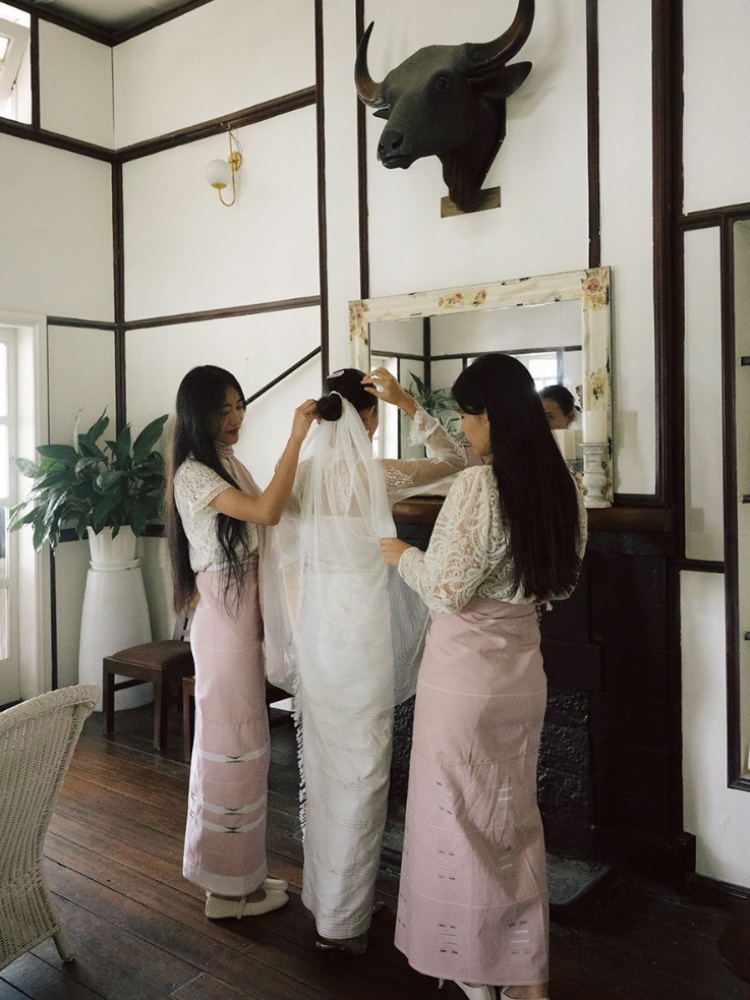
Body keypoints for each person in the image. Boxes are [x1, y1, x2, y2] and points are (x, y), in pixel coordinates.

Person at [380, 354, 587, 1000]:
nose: (465, 429)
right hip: (522, 673)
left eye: (468, 416)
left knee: (458, 823)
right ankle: (523, 970)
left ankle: (474, 969)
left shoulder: (480, 489)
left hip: (464, 679)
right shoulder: (562, 485)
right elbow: (565, 579)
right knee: (513, 823)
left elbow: (444, 588)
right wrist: (414, 413)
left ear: (493, 416)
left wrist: (398, 552)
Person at [262, 366, 468, 955]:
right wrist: (411, 405)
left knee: (326, 767)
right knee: (365, 771)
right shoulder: (378, 475)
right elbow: (460, 462)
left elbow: (285, 561)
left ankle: (329, 903)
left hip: (319, 633)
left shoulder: (296, 477)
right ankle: (345, 922)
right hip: (363, 635)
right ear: (367, 418)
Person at [165, 364, 316, 920]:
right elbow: (267, 512)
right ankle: (225, 892)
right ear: (196, 415)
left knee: (248, 746)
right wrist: (296, 439)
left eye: (238, 405)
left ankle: (242, 876)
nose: (235, 419)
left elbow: (272, 516)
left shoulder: (225, 463)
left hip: (240, 611)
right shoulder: (193, 475)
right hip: (225, 620)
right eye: (221, 410)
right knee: (231, 744)